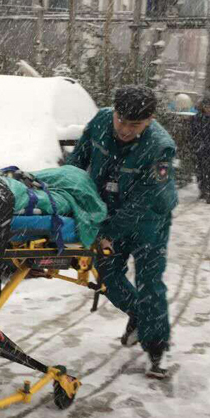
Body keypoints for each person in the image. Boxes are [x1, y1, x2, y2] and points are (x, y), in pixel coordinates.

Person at [66, 85, 178, 379]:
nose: (125, 130)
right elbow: (76, 163)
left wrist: (109, 232)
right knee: (107, 274)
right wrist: (69, 194)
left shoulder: (159, 148)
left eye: (135, 125)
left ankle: (157, 349)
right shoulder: (100, 122)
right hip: (109, 208)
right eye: (121, 121)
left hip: (150, 219)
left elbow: (143, 201)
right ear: (114, 112)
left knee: (149, 282)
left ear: (150, 120)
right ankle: (141, 317)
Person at [189, 96, 210, 204]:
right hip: (201, 150)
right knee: (201, 171)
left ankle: (209, 193)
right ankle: (203, 190)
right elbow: (192, 133)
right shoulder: (197, 119)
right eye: (208, 107)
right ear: (203, 107)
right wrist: (196, 145)